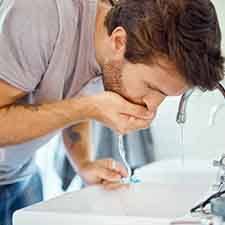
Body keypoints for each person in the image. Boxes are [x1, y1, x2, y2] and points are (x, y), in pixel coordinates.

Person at [0, 0, 224, 224]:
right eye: (152, 88)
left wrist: (83, 163)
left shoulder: (109, 51)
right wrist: (90, 107)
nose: (152, 108)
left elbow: (74, 88)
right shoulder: (40, 13)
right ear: (119, 41)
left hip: (22, 176)